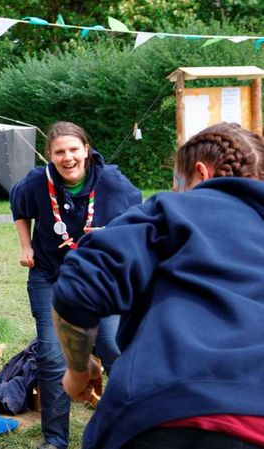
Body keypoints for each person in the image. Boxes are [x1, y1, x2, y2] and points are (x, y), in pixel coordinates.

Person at [53, 122, 264, 449]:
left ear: (200, 174)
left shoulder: (176, 208)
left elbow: (81, 285)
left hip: (168, 411)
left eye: (177, 184)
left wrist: (78, 371)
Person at [9, 121, 142, 449]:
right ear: (49, 156)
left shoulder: (110, 180)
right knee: (53, 356)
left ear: (86, 150)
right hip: (50, 276)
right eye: (59, 152)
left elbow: (139, 219)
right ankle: (55, 439)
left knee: (113, 345)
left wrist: (110, 233)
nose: (67, 157)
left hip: (101, 278)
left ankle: (130, 425)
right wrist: (26, 246)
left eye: (73, 149)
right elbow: (19, 209)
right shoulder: (38, 181)